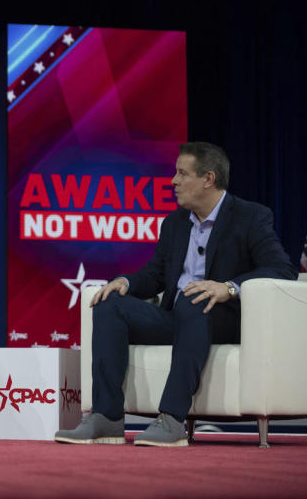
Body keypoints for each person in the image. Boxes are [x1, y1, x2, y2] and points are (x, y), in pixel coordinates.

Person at [55, 142, 296, 447]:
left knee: (193, 300)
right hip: (177, 315)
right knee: (110, 304)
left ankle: (171, 419)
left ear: (208, 178)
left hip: (222, 317)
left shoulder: (250, 216)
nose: (173, 181)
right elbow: (156, 274)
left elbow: (281, 268)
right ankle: (107, 417)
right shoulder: (174, 223)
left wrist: (228, 287)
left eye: (182, 173)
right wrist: (126, 282)